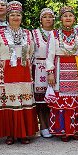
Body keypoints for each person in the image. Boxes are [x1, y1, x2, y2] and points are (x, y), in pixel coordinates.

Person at [0, 1, 38, 145]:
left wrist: (27, 67)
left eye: (18, 15)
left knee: (24, 101)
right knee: (7, 103)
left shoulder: (27, 34)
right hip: (6, 73)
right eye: (12, 15)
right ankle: (10, 134)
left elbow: (32, 53)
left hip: (23, 74)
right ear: (8, 17)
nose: (15, 17)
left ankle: (24, 134)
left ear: (22, 17)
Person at [46, 6, 78, 142]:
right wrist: (50, 73)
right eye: (65, 16)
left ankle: (75, 129)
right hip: (60, 69)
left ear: (74, 18)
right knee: (62, 101)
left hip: (76, 70)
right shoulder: (54, 34)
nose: (68, 18)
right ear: (61, 19)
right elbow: (50, 54)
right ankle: (63, 130)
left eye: (70, 16)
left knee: (76, 100)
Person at [32, 8, 55, 138]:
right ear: (41, 19)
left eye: (50, 16)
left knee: (51, 97)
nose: (48, 19)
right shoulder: (34, 33)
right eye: (45, 16)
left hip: (53, 67)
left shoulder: (57, 33)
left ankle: (52, 124)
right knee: (40, 98)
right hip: (39, 67)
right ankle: (43, 125)